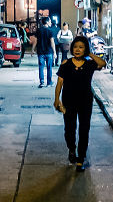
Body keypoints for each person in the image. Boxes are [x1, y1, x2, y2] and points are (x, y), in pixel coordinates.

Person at [53, 35, 106, 172]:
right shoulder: (66, 64)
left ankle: (81, 158)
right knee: (69, 129)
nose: (77, 50)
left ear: (85, 49)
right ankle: (71, 148)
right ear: (72, 48)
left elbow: (102, 63)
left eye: (81, 47)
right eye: (75, 47)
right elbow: (59, 83)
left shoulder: (89, 64)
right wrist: (56, 99)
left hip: (85, 101)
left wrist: (89, 54)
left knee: (84, 129)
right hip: (68, 101)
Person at [34, 16, 56, 88]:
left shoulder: (38, 30)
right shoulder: (50, 31)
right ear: (46, 22)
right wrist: (54, 52)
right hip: (49, 52)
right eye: (49, 21)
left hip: (40, 52)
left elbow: (35, 41)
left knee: (41, 67)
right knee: (49, 67)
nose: (50, 23)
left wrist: (32, 49)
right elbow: (52, 42)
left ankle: (42, 82)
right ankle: (49, 83)